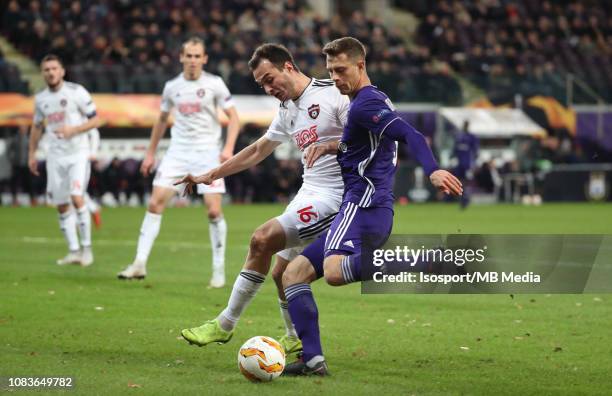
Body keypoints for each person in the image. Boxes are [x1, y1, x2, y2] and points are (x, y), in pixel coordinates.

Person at [280, 37, 463, 376]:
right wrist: (332, 146)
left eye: (341, 70)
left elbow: (412, 135)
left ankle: (423, 260)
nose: (335, 78)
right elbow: (363, 143)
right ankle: (313, 359)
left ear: (360, 66)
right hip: (369, 209)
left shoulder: (365, 104)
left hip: (363, 206)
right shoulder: (365, 105)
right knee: (294, 275)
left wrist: (433, 169)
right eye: (331, 71)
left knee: (334, 273)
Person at [176, 43, 348, 354]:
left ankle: (225, 324)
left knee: (261, 239)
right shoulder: (286, 110)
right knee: (281, 273)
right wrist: (211, 175)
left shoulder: (331, 93)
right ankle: (294, 335)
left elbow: (364, 138)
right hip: (308, 193)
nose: (268, 88)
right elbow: (258, 149)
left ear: (289, 67)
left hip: (336, 196)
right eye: (261, 85)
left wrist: (334, 146)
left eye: (270, 79)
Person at [117, 37, 240, 286]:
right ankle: (139, 263)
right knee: (154, 203)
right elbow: (161, 121)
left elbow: (234, 117)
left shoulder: (215, 84)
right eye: (189, 56)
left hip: (208, 153)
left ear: (204, 59)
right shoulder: (172, 86)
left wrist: (228, 148)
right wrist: (150, 154)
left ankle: (218, 270)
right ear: (181, 57)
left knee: (214, 210)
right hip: (178, 153)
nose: (193, 60)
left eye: (198, 56)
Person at [28, 54, 102, 266]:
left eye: (54, 68)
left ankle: (87, 250)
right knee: (61, 204)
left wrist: (74, 129)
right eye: (46, 70)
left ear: (62, 71)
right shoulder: (41, 99)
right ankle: (73, 251)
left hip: (77, 153)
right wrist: (31, 153)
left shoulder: (76, 92)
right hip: (55, 156)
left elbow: (96, 119)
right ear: (43, 73)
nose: (50, 73)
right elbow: (37, 127)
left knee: (77, 197)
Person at [453, 120, 479, 209]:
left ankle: (466, 198)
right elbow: (455, 149)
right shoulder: (459, 136)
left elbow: (475, 151)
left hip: (468, 164)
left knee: (467, 181)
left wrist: (474, 163)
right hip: (460, 164)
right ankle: (462, 198)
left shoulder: (472, 137)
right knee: (460, 181)